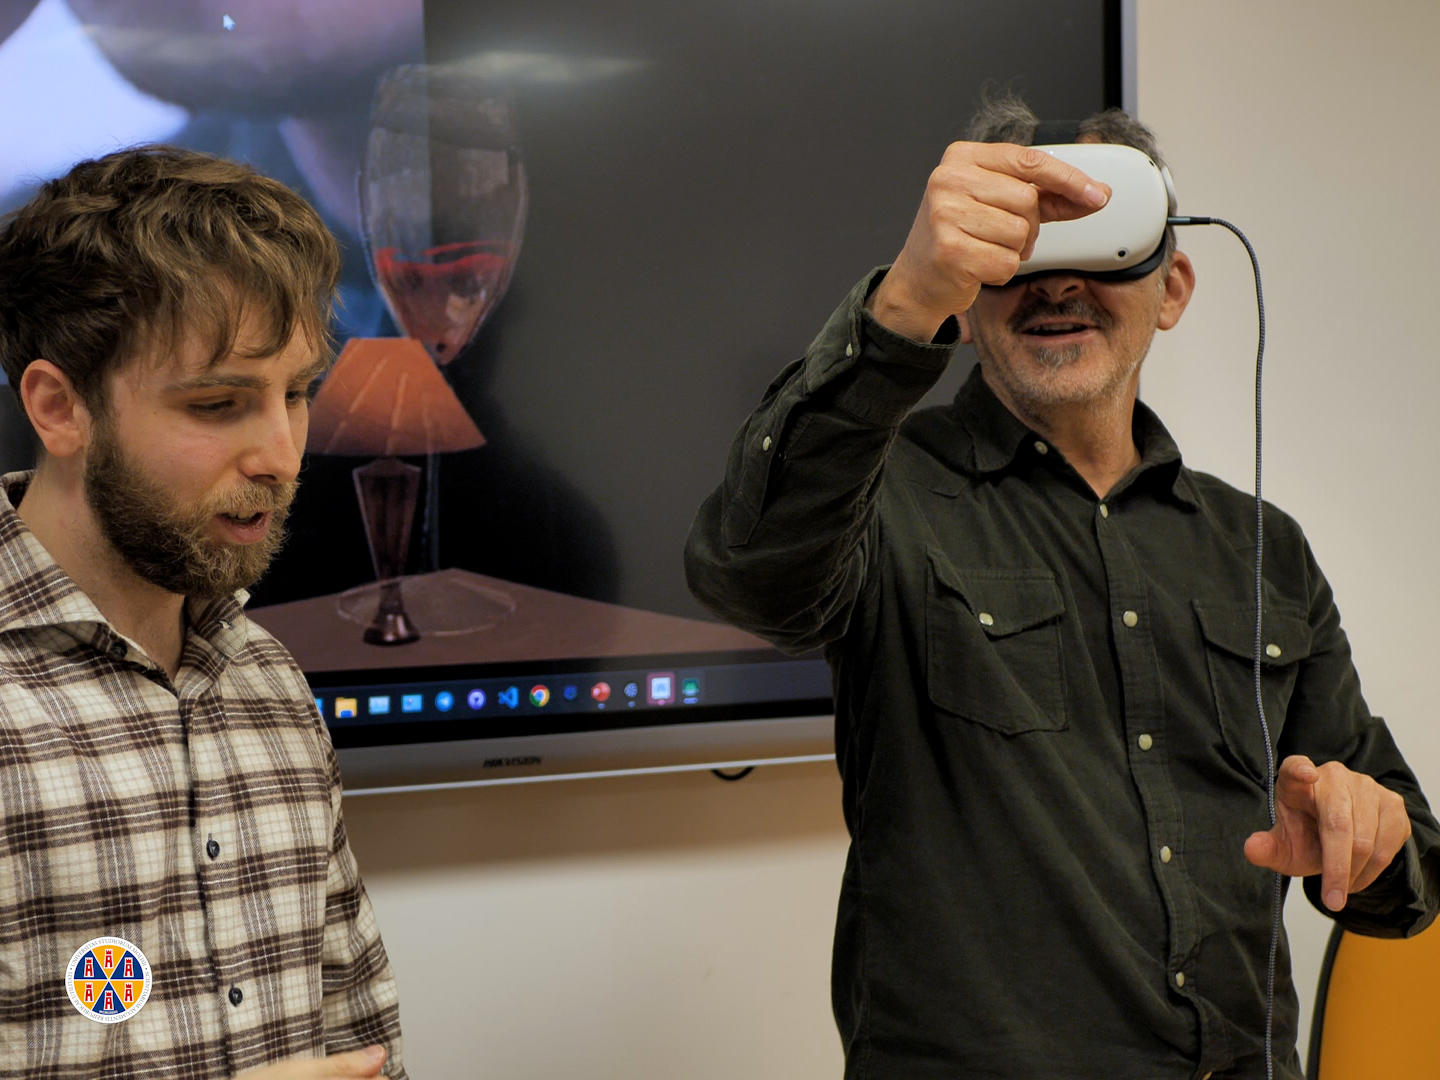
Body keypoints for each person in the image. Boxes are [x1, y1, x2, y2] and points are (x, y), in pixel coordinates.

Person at [684, 98, 1440, 1078]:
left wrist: (1370, 839)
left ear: (1171, 288)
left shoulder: (1264, 548)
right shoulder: (880, 498)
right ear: (971, 295)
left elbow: (1414, 873)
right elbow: (746, 577)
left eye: (1103, 244)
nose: (1059, 285)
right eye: (1025, 252)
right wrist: (904, 301)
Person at [0, 147, 405, 1078]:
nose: (282, 455)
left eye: (297, 394)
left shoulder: (268, 682)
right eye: (219, 403)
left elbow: (363, 1041)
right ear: (60, 408)